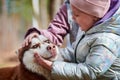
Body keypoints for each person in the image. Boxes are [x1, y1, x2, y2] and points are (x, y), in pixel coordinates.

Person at [20, 0, 120, 80]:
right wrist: (56, 53)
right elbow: (76, 52)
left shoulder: (106, 40)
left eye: (76, 15)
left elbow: (89, 72)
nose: (72, 18)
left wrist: (52, 66)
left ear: (94, 16)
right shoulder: (89, 31)